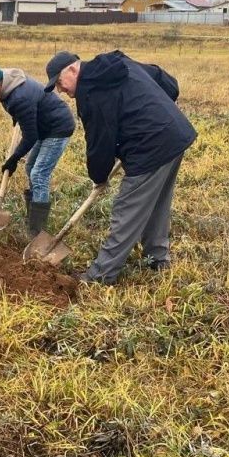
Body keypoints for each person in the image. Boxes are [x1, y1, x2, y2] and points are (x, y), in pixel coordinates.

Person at [44, 50, 196, 285]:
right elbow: (164, 79)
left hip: (150, 146)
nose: (60, 90)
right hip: (176, 133)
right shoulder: (116, 63)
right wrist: (158, 111)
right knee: (157, 202)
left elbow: (100, 142)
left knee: (127, 210)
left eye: (59, 83)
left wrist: (99, 176)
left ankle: (100, 276)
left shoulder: (91, 92)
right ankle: (157, 259)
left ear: (73, 70)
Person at [0, 62, 75, 236]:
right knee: (30, 167)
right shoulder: (8, 84)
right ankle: (33, 217)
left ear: (1, 81)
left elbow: (30, 137)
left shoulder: (20, 97)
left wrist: (14, 159)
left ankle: (37, 230)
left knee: (39, 174)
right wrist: (18, 117)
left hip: (58, 127)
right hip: (43, 126)